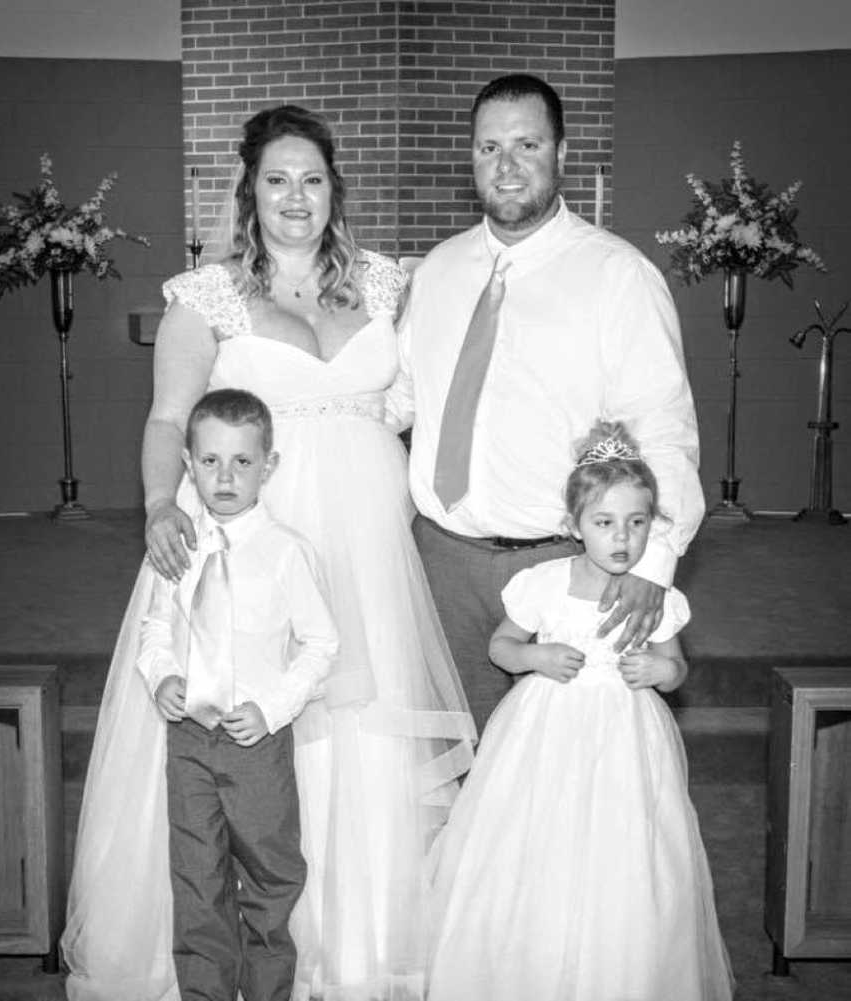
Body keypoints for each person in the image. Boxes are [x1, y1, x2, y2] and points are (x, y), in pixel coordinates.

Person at [61, 105, 475, 1001]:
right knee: (240, 720)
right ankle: (211, 953)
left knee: (355, 719)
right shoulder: (203, 297)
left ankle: (349, 942)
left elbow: (411, 403)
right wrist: (151, 509)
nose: (296, 196)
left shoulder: (386, 284)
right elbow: (170, 418)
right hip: (246, 534)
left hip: (364, 544)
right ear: (250, 190)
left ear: (335, 189)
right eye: (277, 178)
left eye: (313, 178)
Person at [386, 73, 706, 731]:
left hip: (565, 567)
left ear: (561, 155)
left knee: (558, 775)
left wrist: (653, 559)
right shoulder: (437, 272)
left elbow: (662, 424)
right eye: (487, 148)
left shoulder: (617, 274)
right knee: (452, 759)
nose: (505, 167)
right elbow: (400, 402)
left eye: (526, 146)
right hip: (442, 558)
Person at [426, 421, 735, 1001]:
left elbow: (676, 666)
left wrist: (662, 672)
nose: (623, 538)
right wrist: (536, 655)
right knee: (536, 843)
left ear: (653, 525)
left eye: (637, 523)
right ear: (572, 527)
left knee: (624, 848)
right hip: (546, 733)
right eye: (604, 523)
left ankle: (620, 970)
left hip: (625, 735)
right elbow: (501, 646)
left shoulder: (658, 598)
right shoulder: (542, 582)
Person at [137, 389, 338, 1001]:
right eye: (210, 461)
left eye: (242, 462)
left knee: (271, 877)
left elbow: (321, 645)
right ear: (189, 465)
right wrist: (162, 677)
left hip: (257, 744)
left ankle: (270, 991)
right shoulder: (178, 547)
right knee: (198, 878)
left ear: (268, 466)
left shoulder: (287, 552)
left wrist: (272, 709)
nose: (225, 477)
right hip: (191, 741)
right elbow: (155, 629)